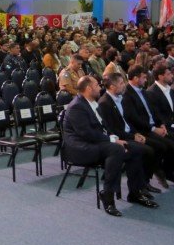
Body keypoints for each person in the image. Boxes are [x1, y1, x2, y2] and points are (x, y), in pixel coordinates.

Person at [62, 76, 158, 217]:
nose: (100, 87)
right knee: (116, 149)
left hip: (96, 143)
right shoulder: (77, 106)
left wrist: (117, 139)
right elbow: (87, 134)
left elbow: (104, 128)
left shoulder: (92, 103)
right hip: (80, 148)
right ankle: (108, 196)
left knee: (136, 149)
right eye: (97, 85)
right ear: (88, 88)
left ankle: (135, 192)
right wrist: (113, 140)